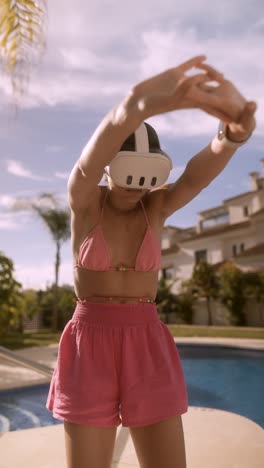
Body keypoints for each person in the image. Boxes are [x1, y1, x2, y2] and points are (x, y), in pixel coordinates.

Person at [46, 55, 256, 468]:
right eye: (126, 176)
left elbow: (197, 175)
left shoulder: (155, 207)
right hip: (90, 343)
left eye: (145, 179)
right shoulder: (86, 201)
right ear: (110, 168)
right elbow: (87, 164)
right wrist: (134, 106)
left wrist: (231, 136)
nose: (134, 189)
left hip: (147, 341)